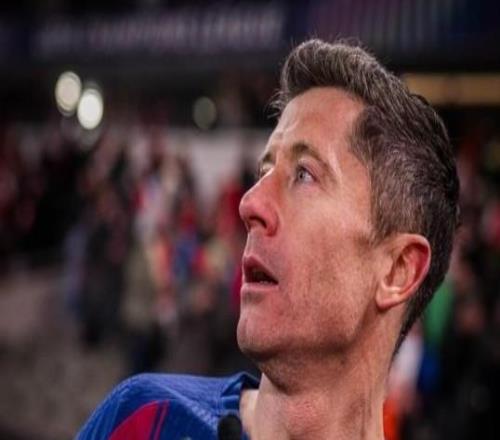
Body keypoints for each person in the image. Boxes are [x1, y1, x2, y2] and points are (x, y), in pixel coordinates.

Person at [77, 39, 459, 440]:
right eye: (264, 171)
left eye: (304, 174)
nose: (249, 203)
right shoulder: (143, 419)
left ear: (398, 270)